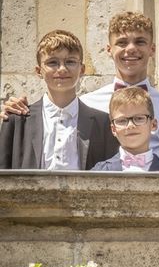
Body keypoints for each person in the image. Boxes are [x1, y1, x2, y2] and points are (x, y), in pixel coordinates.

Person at [1, 12, 159, 164]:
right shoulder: (86, 104)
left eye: (140, 42)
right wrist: (12, 115)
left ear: (152, 50)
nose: (130, 49)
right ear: (109, 50)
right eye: (122, 42)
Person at [0, 30, 118, 169]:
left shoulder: (103, 122)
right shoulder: (18, 121)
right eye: (52, 62)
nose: (62, 69)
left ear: (82, 69)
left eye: (70, 62)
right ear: (39, 71)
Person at [92, 87, 159, 171]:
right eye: (122, 121)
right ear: (113, 129)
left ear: (153, 125)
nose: (130, 125)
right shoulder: (97, 172)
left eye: (139, 118)